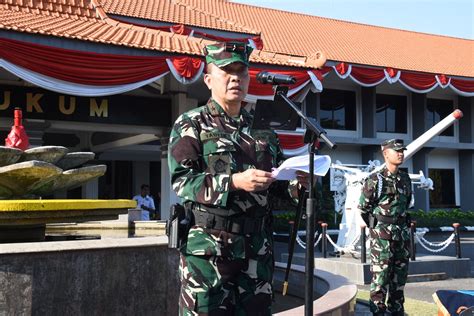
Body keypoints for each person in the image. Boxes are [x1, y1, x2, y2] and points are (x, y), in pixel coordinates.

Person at [168, 41, 310, 315]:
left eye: (242, 73)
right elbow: (182, 181)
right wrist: (233, 182)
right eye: (226, 71)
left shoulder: (262, 131)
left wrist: (296, 186)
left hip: (256, 252)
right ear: (209, 79)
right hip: (209, 253)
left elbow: (276, 186)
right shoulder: (191, 124)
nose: (236, 78)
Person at [359, 139, 413, 316]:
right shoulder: (375, 179)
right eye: (396, 150)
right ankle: (378, 313)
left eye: (402, 151)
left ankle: (397, 311)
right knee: (380, 281)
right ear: (385, 154)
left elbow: (407, 205)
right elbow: (364, 208)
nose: (401, 153)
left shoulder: (405, 179)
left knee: (399, 280)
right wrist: (377, 230)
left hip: (402, 237)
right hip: (382, 239)